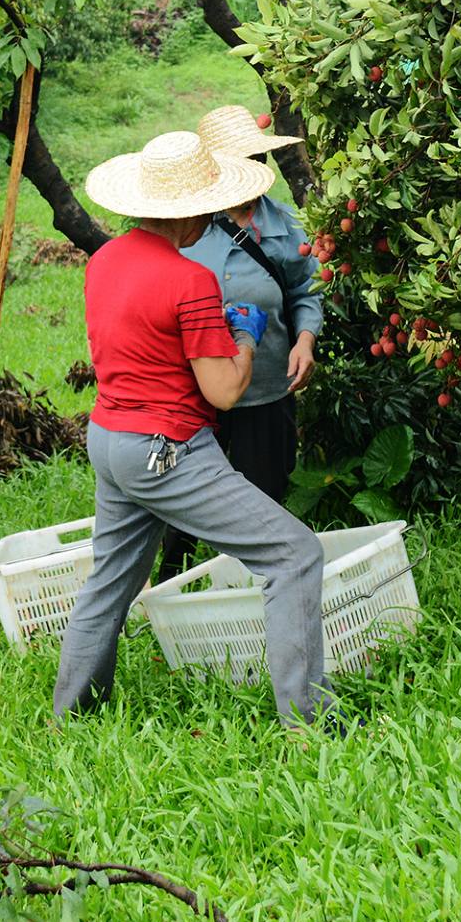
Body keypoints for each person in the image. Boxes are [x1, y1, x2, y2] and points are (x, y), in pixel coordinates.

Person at [53, 131, 337, 729]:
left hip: (109, 439)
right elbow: (224, 391)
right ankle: (311, 724)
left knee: (109, 583)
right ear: (188, 212)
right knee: (294, 554)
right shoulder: (189, 281)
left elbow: (139, 344)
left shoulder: (104, 260)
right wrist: (245, 334)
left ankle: (69, 720)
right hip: (169, 448)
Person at [157, 105, 322, 576]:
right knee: (185, 497)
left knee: (264, 495)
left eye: (258, 159)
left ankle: (254, 584)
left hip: (267, 386)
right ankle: (172, 579)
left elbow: (305, 290)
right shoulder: (185, 229)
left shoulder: (285, 227)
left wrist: (305, 340)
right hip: (194, 394)